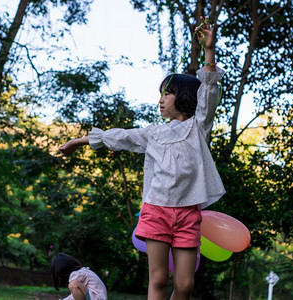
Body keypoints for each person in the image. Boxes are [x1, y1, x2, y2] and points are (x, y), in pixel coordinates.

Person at [59, 17, 225, 300]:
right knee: (158, 280)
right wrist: (79, 141)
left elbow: (208, 90)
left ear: (184, 96)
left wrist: (208, 51)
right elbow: (118, 137)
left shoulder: (198, 126)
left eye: (167, 93)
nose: (160, 99)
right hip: (156, 211)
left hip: (187, 214)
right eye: (160, 94)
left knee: (184, 286)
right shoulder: (153, 134)